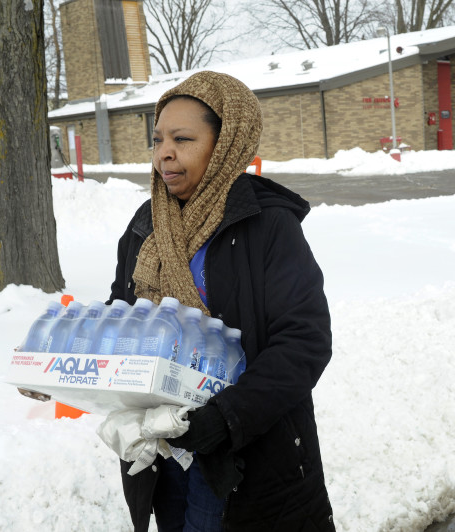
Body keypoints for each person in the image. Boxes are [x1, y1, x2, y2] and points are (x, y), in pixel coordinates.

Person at [106, 70, 335, 532]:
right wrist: (61, 364)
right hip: (164, 449)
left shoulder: (268, 225)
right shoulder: (146, 225)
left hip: (246, 451)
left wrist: (228, 419)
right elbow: (121, 314)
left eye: (182, 138)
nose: (164, 152)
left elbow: (304, 341)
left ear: (226, 143)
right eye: (157, 139)